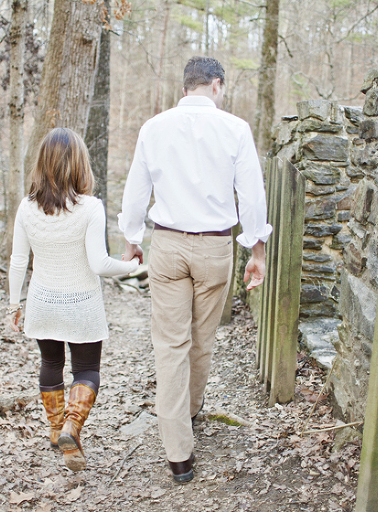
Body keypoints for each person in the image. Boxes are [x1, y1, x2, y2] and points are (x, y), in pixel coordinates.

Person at [118, 56, 272, 483]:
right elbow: (252, 195)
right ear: (217, 85)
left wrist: (132, 238)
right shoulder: (236, 129)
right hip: (215, 248)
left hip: (166, 244)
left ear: (186, 86)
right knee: (201, 340)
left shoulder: (154, 127)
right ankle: (189, 411)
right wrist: (256, 250)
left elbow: (136, 191)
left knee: (170, 346)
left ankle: (178, 452)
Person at [7, 127, 139, 473]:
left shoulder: (26, 207)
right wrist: (134, 267)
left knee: (51, 366)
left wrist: (13, 303)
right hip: (81, 303)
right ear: (79, 164)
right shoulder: (90, 208)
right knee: (86, 371)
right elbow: (99, 264)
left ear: (42, 164)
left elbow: (19, 260)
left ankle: (55, 431)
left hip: (42, 299)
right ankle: (71, 427)